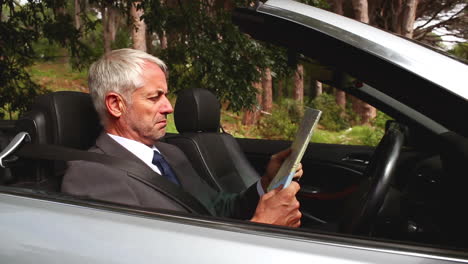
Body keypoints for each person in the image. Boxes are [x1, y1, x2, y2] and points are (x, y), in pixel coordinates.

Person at [62, 48, 303, 227]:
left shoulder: (171, 153)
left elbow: (218, 208)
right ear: (116, 105)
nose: (168, 107)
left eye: (166, 95)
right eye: (154, 97)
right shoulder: (90, 176)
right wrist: (263, 227)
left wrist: (267, 182)